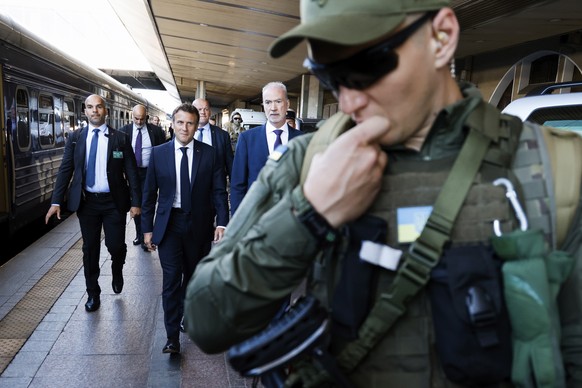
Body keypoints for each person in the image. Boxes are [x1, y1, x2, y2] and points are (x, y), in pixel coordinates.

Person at [185, 1, 582, 387]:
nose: (348, 100)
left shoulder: (555, 168)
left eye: (367, 68)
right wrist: (308, 215)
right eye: (330, 77)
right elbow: (207, 318)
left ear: (441, 37)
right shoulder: (310, 162)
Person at [142, 103, 229, 355]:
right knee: (170, 280)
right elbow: (149, 195)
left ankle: (186, 313)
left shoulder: (210, 154)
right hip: (169, 225)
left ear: (196, 125)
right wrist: (147, 228)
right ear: (172, 123)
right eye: (180, 122)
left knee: (192, 278)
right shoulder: (159, 153)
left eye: (190, 123)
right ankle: (171, 338)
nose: (185, 128)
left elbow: (218, 191)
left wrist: (221, 221)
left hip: (199, 225)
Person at [45, 94, 141, 312]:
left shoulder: (119, 139)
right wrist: (56, 200)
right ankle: (93, 293)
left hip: (113, 202)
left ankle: (117, 268)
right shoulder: (76, 138)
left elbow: (132, 173)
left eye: (98, 107)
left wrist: (136, 202)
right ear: (85, 111)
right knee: (90, 249)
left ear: (105, 110)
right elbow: (65, 169)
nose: (94, 111)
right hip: (87, 203)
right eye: (90, 107)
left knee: (115, 246)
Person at [229, 82, 303, 216]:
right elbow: (237, 186)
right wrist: (237, 224)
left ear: (287, 104)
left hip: (292, 222)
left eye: (278, 101)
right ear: (263, 106)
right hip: (255, 220)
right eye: (268, 102)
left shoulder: (302, 140)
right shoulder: (247, 139)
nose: (273, 108)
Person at [120, 104, 166, 250]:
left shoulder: (156, 131)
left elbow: (162, 151)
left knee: (148, 202)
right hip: (132, 174)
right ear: (131, 116)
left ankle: (148, 234)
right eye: (136, 118)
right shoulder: (124, 132)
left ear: (146, 116)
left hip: (150, 173)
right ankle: (139, 234)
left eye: (142, 119)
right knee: (136, 203)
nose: (139, 122)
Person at [192, 98, 234, 180]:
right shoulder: (184, 132)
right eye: (199, 109)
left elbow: (230, 163)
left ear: (210, 112)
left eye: (206, 109)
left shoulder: (223, 135)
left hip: (216, 186)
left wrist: (236, 188)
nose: (203, 112)